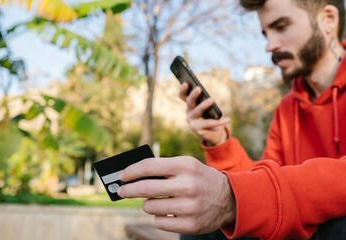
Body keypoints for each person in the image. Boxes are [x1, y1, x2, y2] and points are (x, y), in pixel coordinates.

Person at [117, 0, 346, 239]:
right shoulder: (287, 109)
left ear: (328, 19)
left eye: (281, 27)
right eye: (265, 33)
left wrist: (234, 197)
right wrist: (219, 143)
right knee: (208, 226)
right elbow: (264, 190)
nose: (270, 45)